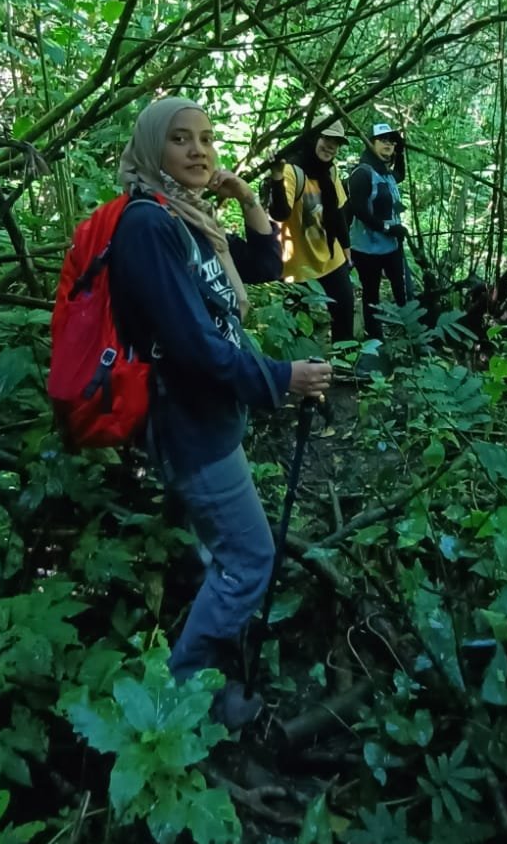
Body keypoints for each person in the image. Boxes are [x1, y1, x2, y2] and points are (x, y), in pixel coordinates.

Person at [108, 96, 331, 729]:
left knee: (222, 551)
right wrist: (282, 378)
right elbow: (192, 345)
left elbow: (264, 263)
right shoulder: (148, 226)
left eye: (207, 138)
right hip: (190, 423)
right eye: (181, 140)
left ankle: (203, 645)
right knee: (253, 559)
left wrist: (247, 199)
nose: (200, 150)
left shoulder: (188, 218)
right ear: (154, 149)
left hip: (208, 417)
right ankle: (176, 703)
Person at [268, 120, 354, 345]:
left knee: (344, 307)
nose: (331, 147)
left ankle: (345, 364)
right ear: (314, 138)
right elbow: (279, 213)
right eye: (326, 139)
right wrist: (276, 178)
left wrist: (346, 248)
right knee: (296, 322)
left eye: (336, 143)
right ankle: (300, 372)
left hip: (330, 253)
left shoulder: (330, 170)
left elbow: (339, 211)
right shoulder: (292, 171)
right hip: (297, 261)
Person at [348, 121, 408, 341]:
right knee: (371, 294)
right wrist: (386, 228)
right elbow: (359, 210)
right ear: (370, 142)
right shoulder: (362, 173)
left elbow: (400, 174)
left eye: (392, 141)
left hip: (391, 245)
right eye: (383, 140)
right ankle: (374, 338)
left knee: (400, 287)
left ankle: (411, 332)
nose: (388, 144)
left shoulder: (386, 173)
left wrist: (401, 152)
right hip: (367, 248)